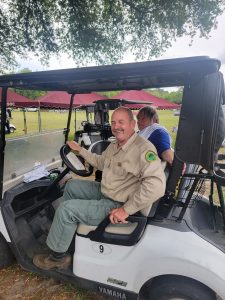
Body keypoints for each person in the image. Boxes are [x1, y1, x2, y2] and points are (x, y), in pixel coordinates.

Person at [33, 107, 166, 270]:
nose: (116, 126)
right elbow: (101, 162)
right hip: (108, 191)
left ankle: (57, 257)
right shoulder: (115, 145)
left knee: (66, 209)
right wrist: (80, 150)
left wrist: (126, 210)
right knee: (72, 186)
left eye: (121, 122)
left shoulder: (143, 149)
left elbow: (157, 186)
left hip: (118, 204)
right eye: (113, 122)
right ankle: (65, 232)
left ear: (133, 124)